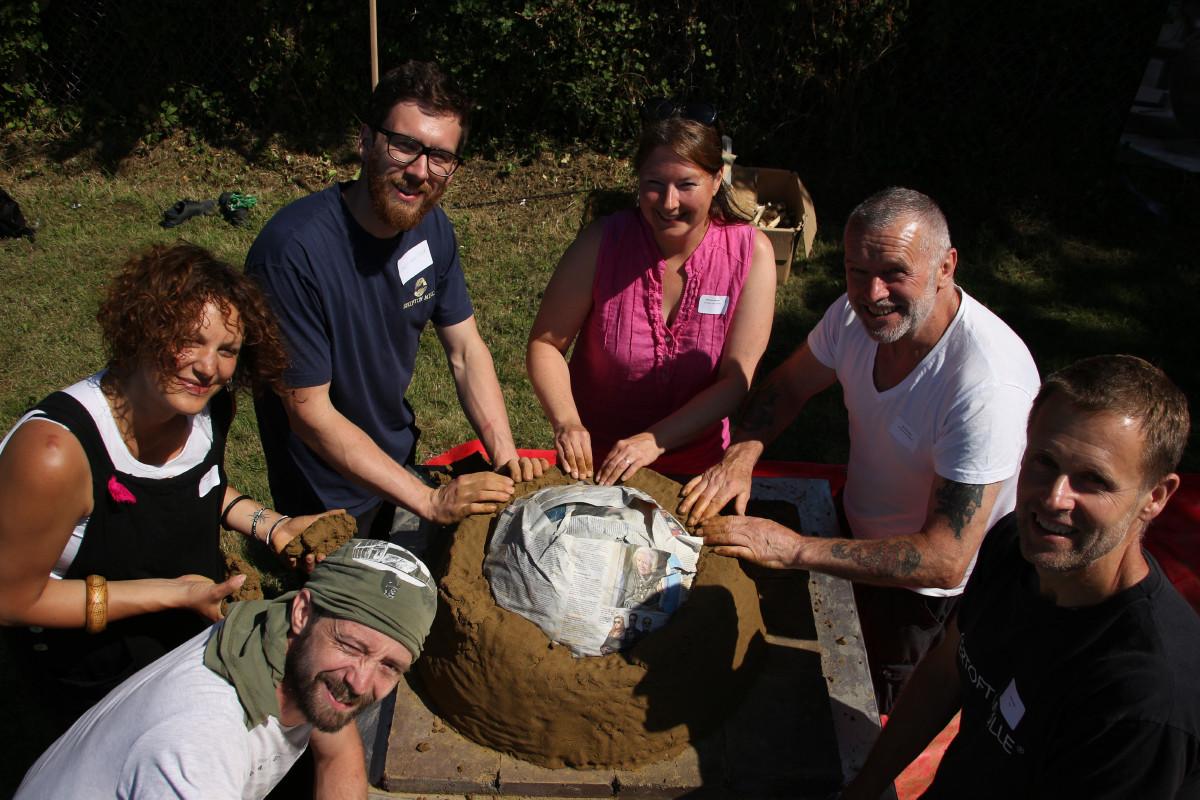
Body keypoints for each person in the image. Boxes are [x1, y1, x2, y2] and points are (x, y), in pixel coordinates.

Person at [682, 188, 1040, 713]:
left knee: (868, 702)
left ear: (946, 267)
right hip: (859, 520)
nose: (872, 294)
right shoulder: (854, 319)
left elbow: (943, 559)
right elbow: (790, 383)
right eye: (855, 270)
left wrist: (795, 549)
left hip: (926, 597)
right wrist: (741, 455)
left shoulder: (985, 386)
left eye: (895, 272)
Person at [841, 355, 1200, 799]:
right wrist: (864, 788)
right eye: (1045, 461)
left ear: (1156, 497)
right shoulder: (1015, 545)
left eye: (1092, 480)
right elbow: (944, 674)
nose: (1054, 499)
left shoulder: (1144, 699)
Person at [0, 243, 327, 726]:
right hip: (96, 667)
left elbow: (195, 488)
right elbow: (12, 598)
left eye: (227, 350)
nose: (208, 367)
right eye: (188, 340)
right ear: (141, 329)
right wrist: (174, 595)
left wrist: (271, 525)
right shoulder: (55, 454)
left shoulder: (207, 407)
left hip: (190, 629)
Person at [246, 60, 543, 540]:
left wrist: (504, 454)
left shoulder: (432, 229)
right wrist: (427, 499)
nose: (420, 172)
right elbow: (309, 416)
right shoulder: (290, 254)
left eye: (441, 156)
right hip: (328, 500)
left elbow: (465, 350)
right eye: (404, 145)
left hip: (398, 467)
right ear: (366, 141)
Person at [15, 540, 438, 799]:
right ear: (303, 612)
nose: (360, 681)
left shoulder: (280, 641)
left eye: (390, 666)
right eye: (351, 645)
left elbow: (338, 746)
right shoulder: (199, 748)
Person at [526, 98, 777, 485]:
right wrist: (567, 423)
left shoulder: (751, 253)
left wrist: (654, 441)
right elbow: (546, 344)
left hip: (697, 469)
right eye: (654, 185)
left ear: (716, 180)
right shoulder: (601, 243)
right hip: (597, 465)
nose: (669, 203)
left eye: (686, 185)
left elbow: (735, 380)